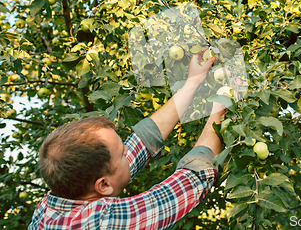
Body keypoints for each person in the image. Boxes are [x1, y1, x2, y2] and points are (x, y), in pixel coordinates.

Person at [28, 51, 226, 229]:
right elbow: (190, 181)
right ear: (103, 185)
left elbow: (141, 143)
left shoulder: (49, 208)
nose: (128, 153)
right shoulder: (103, 224)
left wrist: (193, 81)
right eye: (122, 154)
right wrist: (223, 100)